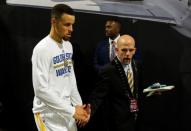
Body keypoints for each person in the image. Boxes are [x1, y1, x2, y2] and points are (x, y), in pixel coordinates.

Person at [31, 4, 89, 131]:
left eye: (72, 25)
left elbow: (70, 79)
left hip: (66, 111)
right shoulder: (42, 49)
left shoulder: (68, 46)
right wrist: (72, 110)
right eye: (67, 24)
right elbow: (40, 90)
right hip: (47, 114)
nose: (71, 29)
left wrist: (80, 108)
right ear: (54, 22)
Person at [86, 35, 143, 131]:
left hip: (135, 120)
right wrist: (87, 112)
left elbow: (137, 90)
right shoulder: (108, 70)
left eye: (131, 50)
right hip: (117, 123)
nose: (128, 54)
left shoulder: (137, 65)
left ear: (135, 50)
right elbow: (97, 96)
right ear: (116, 50)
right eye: (124, 50)